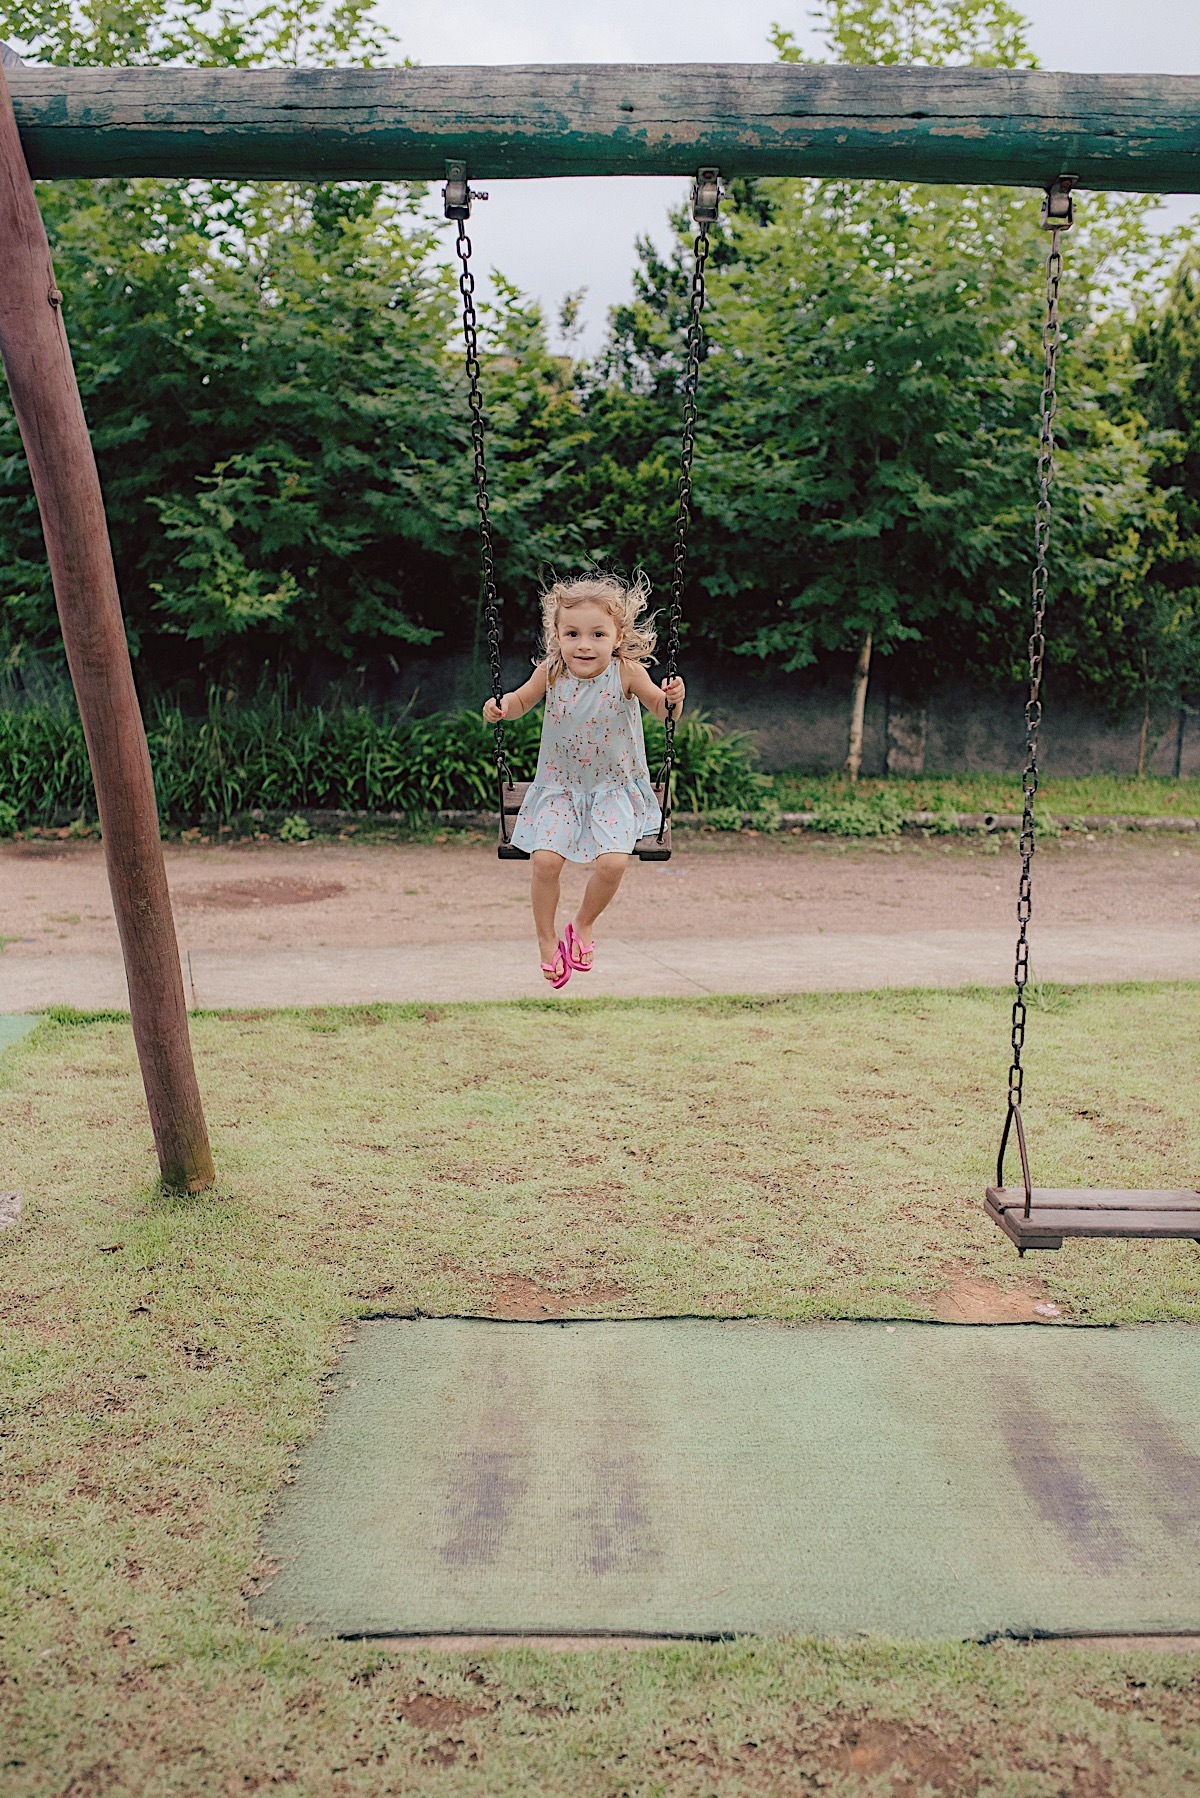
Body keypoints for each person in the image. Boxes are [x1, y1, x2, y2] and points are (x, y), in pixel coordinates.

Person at [483, 574, 685, 987]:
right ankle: (545, 939)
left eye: (597, 634)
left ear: (617, 636)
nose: (584, 645)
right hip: (560, 789)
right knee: (544, 860)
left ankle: (583, 923)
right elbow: (520, 701)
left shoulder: (627, 672)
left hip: (614, 790)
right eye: (572, 633)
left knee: (613, 863)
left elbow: (659, 709)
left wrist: (671, 702)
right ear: (556, 636)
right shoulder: (552, 671)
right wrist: (501, 707)